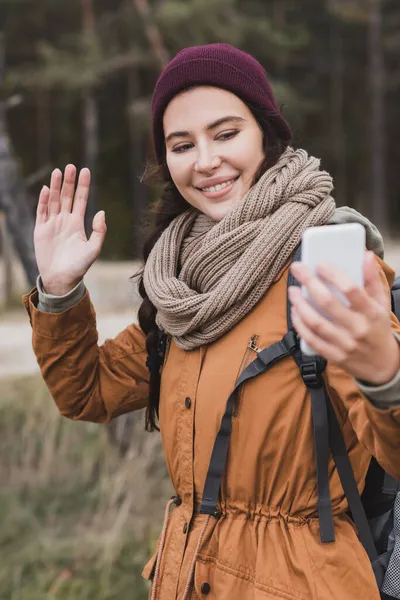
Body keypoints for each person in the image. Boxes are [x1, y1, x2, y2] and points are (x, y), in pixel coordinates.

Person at [23, 43, 400, 600]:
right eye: (182, 145)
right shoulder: (183, 286)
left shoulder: (331, 271)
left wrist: (385, 375)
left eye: (226, 134)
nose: (204, 161)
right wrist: (59, 292)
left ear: (267, 136)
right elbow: (87, 393)